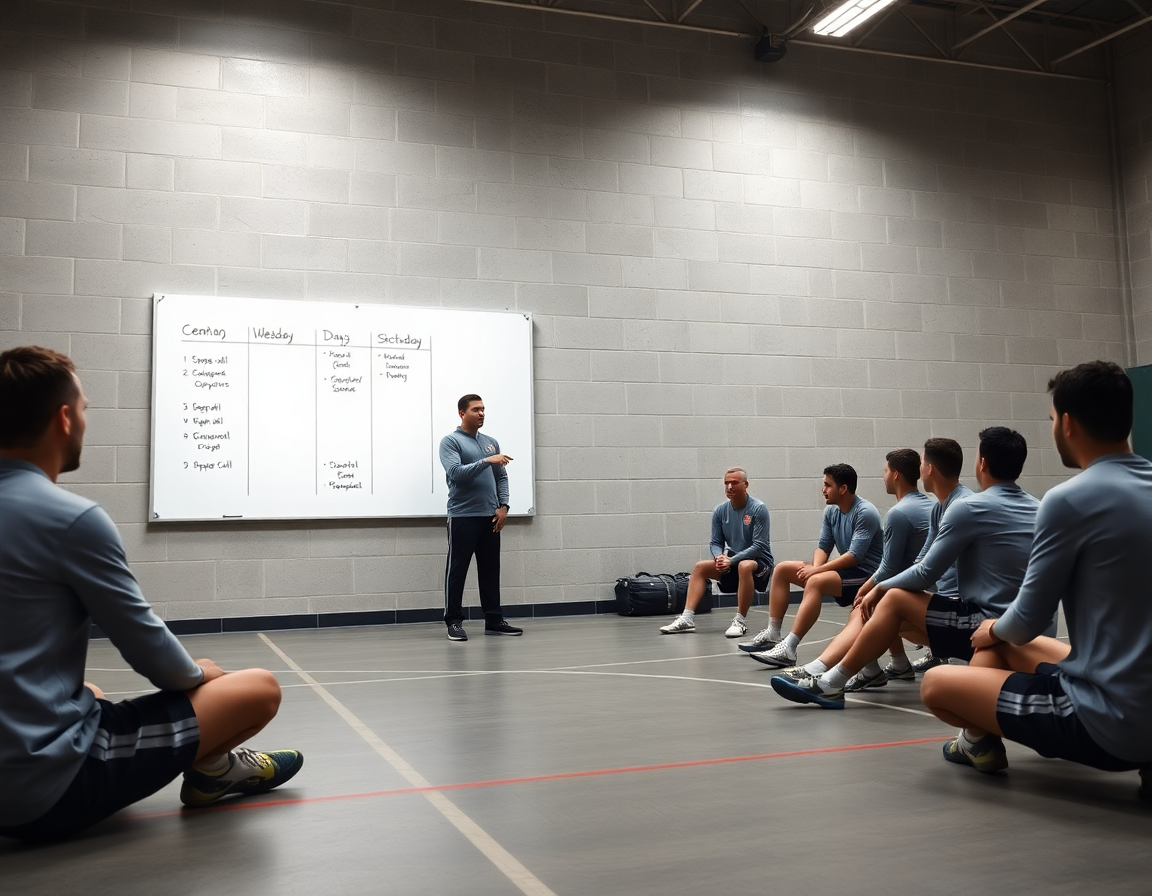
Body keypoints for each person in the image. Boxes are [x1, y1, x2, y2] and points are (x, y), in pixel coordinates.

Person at [0, 346, 302, 842]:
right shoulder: (71, 519)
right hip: (36, 795)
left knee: (91, 693)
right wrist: (195, 672)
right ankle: (215, 770)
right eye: (84, 409)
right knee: (256, 687)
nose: (84, 420)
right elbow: (151, 654)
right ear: (63, 419)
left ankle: (215, 765)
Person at [920, 362, 1152, 791]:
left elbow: (1026, 619)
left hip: (1115, 723)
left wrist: (992, 628)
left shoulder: (1068, 500)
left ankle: (975, 740)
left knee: (937, 683)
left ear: (1066, 423)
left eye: (1050, 420)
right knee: (1010, 643)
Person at [770, 427, 1038, 709]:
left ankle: (828, 681)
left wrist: (879, 586)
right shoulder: (1033, 506)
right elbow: (923, 561)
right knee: (884, 604)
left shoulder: (966, 506)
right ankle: (874, 668)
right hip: (1025, 626)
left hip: (985, 624)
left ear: (981, 464)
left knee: (890, 599)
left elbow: (926, 572)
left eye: (922, 463)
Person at [771, 449, 933, 690]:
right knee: (877, 603)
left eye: (886, 471)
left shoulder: (894, 513)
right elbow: (919, 565)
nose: (884, 476)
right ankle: (890, 665)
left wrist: (868, 589)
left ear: (896, 475)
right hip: (929, 600)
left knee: (865, 609)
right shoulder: (933, 507)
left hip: (932, 608)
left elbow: (887, 568)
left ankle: (819, 672)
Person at [744, 464, 883, 668]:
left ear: (843, 488)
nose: (823, 490)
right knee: (782, 569)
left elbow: (854, 556)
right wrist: (814, 568)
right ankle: (773, 634)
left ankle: (789, 649)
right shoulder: (831, 512)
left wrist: (815, 571)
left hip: (866, 576)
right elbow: (823, 547)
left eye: (827, 485)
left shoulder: (865, 512)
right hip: (845, 571)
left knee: (816, 581)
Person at [439, 393, 522, 641]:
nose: (481, 413)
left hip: (490, 516)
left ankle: (494, 620)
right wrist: (487, 460)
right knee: (457, 571)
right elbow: (456, 473)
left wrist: (504, 505)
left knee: (490, 570)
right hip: (463, 516)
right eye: (476, 409)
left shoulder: (490, 442)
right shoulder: (451, 442)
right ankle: (453, 622)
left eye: (483, 409)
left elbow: (501, 478)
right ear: (462, 413)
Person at [659, 467, 774, 637]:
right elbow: (715, 542)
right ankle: (687, 618)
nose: (729, 487)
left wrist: (731, 561)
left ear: (746, 484)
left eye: (734, 483)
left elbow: (758, 546)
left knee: (744, 565)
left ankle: (740, 621)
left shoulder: (758, 508)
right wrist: (719, 557)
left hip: (759, 561)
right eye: (726, 483)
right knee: (700, 567)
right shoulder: (720, 511)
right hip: (733, 560)